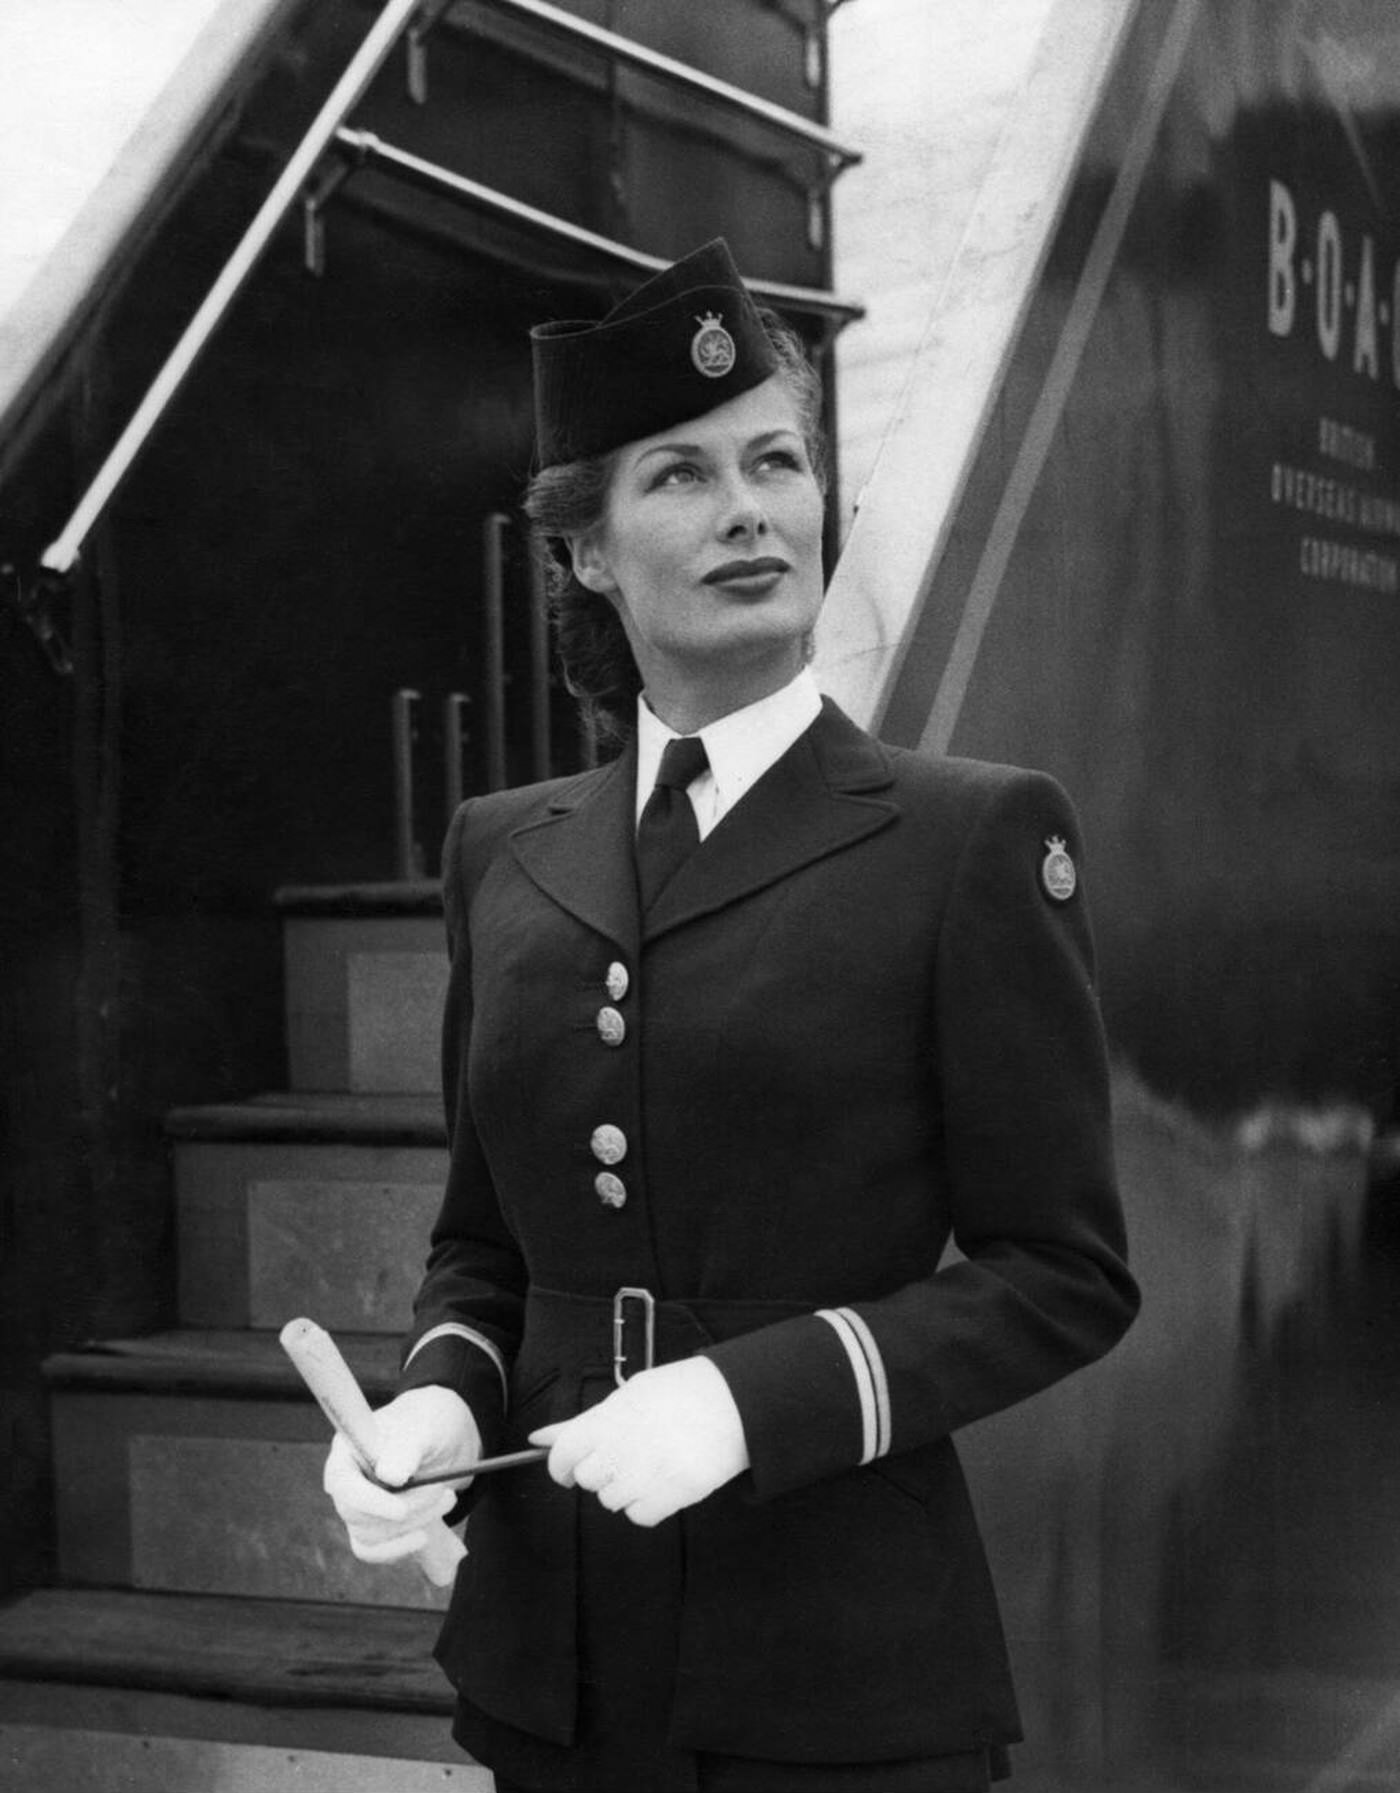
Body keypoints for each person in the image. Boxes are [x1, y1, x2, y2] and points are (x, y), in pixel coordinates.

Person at [324, 239, 1139, 1793]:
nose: (751, 506)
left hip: (837, 1673)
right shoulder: (503, 851)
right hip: (552, 1662)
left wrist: (745, 1396)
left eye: (777, 461)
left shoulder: (965, 839)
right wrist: (438, 1398)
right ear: (584, 552)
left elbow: (1065, 1273)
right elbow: (487, 1243)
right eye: (682, 477)